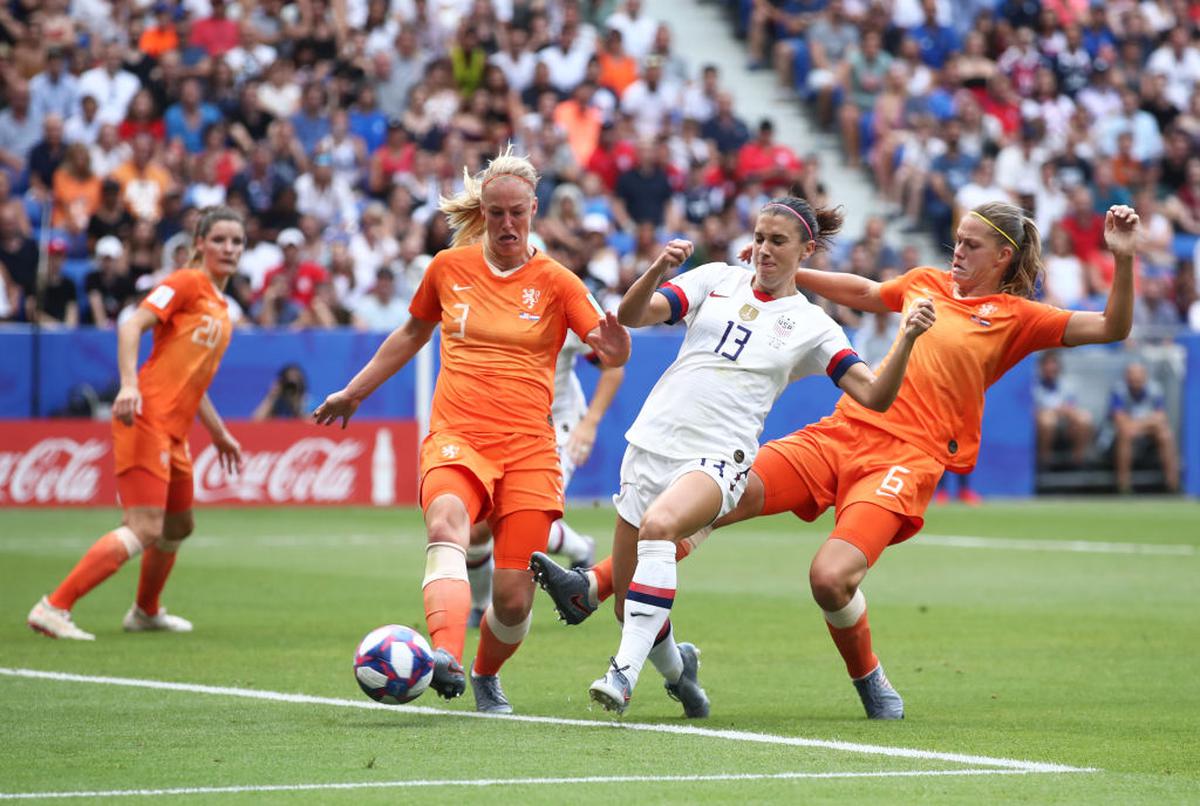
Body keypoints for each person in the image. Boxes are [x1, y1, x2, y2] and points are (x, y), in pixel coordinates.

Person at [533, 201, 1140, 720]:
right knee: (715, 498)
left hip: (907, 457)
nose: (957, 251)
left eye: (971, 245)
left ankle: (868, 674)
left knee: (829, 577)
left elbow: (1113, 326)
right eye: (956, 240)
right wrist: (795, 270)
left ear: (1002, 257)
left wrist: (1122, 256)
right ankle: (594, 587)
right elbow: (871, 293)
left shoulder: (1018, 318)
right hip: (841, 434)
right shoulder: (926, 282)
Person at [535, 197, 935, 718]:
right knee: (626, 605)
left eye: (778, 242)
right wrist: (659, 267)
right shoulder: (715, 278)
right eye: (761, 238)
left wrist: (906, 339)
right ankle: (681, 674)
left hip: (720, 456)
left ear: (805, 250)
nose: (764, 250)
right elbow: (633, 316)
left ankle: (622, 674)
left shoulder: (813, 325)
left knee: (662, 527)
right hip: (652, 442)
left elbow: (876, 395)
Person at [312, 148, 630, 715]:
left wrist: (612, 347)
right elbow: (411, 334)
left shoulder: (559, 283)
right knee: (446, 522)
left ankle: (485, 674)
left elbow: (605, 347)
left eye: (517, 213)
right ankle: (444, 655)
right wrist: (354, 391)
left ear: (534, 211)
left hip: (531, 449)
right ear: (480, 213)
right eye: (495, 213)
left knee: (512, 600)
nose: (506, 225)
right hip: (458, 435)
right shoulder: (447, 269)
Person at [28, 207, 246, 641]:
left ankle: (145, 612)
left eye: (237, 241)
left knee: (178, 525)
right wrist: (128, 385)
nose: (229, 249)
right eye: (219, 239)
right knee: (145, 526)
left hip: (176, 431)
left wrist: (219, 433)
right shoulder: (187, 283)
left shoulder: (222, 307)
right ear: (199, 242)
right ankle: (54, 606)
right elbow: (132, 325)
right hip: (146, 417)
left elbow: (192, 378)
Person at [464, 331, 625, 627]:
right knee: (476, 531)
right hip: (502, 429)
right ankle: (479, 605)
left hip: (556, 430)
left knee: (519, 519)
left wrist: (589, 425)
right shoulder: (489, 303)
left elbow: (612, 367)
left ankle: (575, 550)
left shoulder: (563, 303)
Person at [1110, 361, 1179, 493]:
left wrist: (1137, 425)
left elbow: (1160, 418)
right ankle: (1123, 485)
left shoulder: (1154, 389)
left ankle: (1172, 484)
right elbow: (1119, 419)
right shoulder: (1119, 391)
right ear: (1126, 377)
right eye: (1132, 378)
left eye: (1138, 379)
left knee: (1165, 434)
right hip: (1121, 434)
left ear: (1145, 377)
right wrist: (1145, 423)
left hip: (1146, 432)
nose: (1135, 382)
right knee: (1125, 433)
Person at [1033, 350, 1093, 469]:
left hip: (1065, 424)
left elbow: (1071, 407)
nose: (1050, 368)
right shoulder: (1033, 386)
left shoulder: (1067, 385)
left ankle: (1079, 461)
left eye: (1053, 364)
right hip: (1042, 425)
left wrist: (1059, 411)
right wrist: (1053, 411)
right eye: (1047, 364)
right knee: (1047, 421)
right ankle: (1044, 461)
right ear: (1041, 367)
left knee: (1084, 418)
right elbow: (1033, 410)